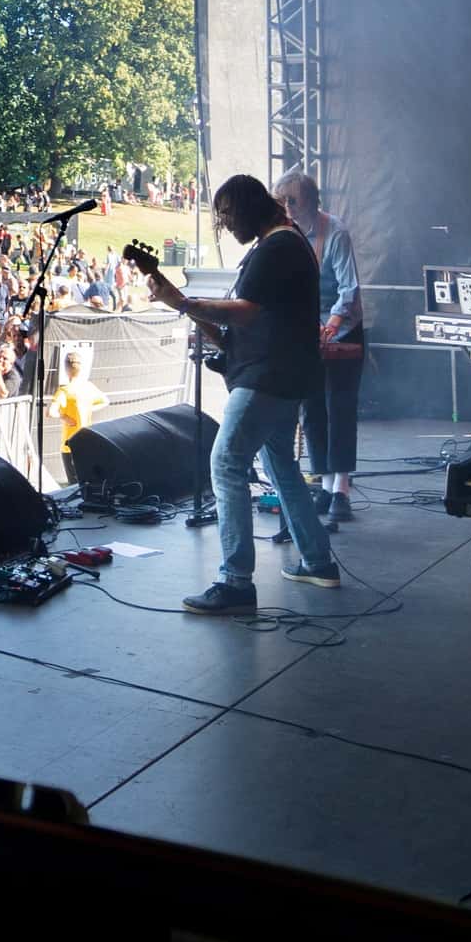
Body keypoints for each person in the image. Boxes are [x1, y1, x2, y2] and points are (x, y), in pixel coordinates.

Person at [131, 175, 340, 614]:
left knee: (226, 461)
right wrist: (179, 301)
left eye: (226, 213)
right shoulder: (280, 245)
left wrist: (187, 305)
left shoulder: (278, 247)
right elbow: (239, 332)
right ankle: (318, 560)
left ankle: (236, 582)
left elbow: (244, 313)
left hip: (269, 377)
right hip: (281, 374)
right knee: (279, 463)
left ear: (247, 206)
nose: (223, 223)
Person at [279, 172, 365, 525]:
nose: (286, 208)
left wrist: (330, 325)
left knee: (340, 409)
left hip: (344, 330)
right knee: (312, 410)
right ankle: (325, 484)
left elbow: (349, 288)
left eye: (292, 201)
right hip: (307, 331)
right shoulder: (286, 236)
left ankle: (341, 489)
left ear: (311, 202)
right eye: (282, 201)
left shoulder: (336, 232)